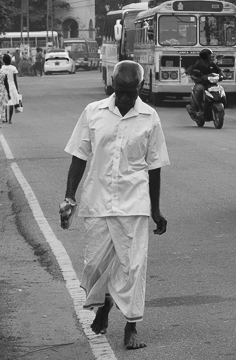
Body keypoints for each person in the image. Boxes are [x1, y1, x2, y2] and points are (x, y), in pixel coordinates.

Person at [61, 60, 169, 351]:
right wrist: (69, 198)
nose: (123, 98)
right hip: (97, 203)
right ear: (112, 85)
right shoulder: (93, 112)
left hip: (134, 205)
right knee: (94, 266)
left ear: (140, 88)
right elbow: (78, 156)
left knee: (133, 268)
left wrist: (155, 210)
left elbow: (155, 167)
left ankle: (131, 327)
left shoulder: (150, 118)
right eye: (119, 91)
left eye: (130, 92)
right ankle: (106, 303)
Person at [188, 48, 222, 120]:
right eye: (209, 55)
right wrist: (196, 78)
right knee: (199, 89)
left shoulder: (212, 64)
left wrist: (222, 75)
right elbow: (193, 74)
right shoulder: (198, 64)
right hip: (201, 83)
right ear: (205, 56)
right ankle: (200, 108)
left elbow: (219, 71)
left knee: (220, 88)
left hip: (211, 83)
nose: (211, 56)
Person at [0, 54, 20, 124]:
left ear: (3, 61)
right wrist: (17, 90)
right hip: (12, 86)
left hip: (4, 86)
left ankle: (4, 118)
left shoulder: (1, 68)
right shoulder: (13, 68)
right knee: (11, 103)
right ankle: (10, 119)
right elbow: (15, 80)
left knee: (5, 103)